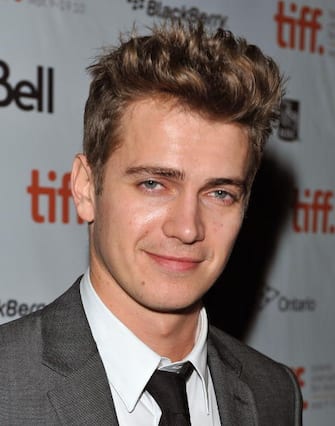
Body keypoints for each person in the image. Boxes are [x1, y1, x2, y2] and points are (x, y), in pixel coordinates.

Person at [0, 22, 302, 425]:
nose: (187, 227)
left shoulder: (274, 393)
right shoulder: (8, 385)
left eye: (220, 193)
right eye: (154, 183)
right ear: (86, 188)